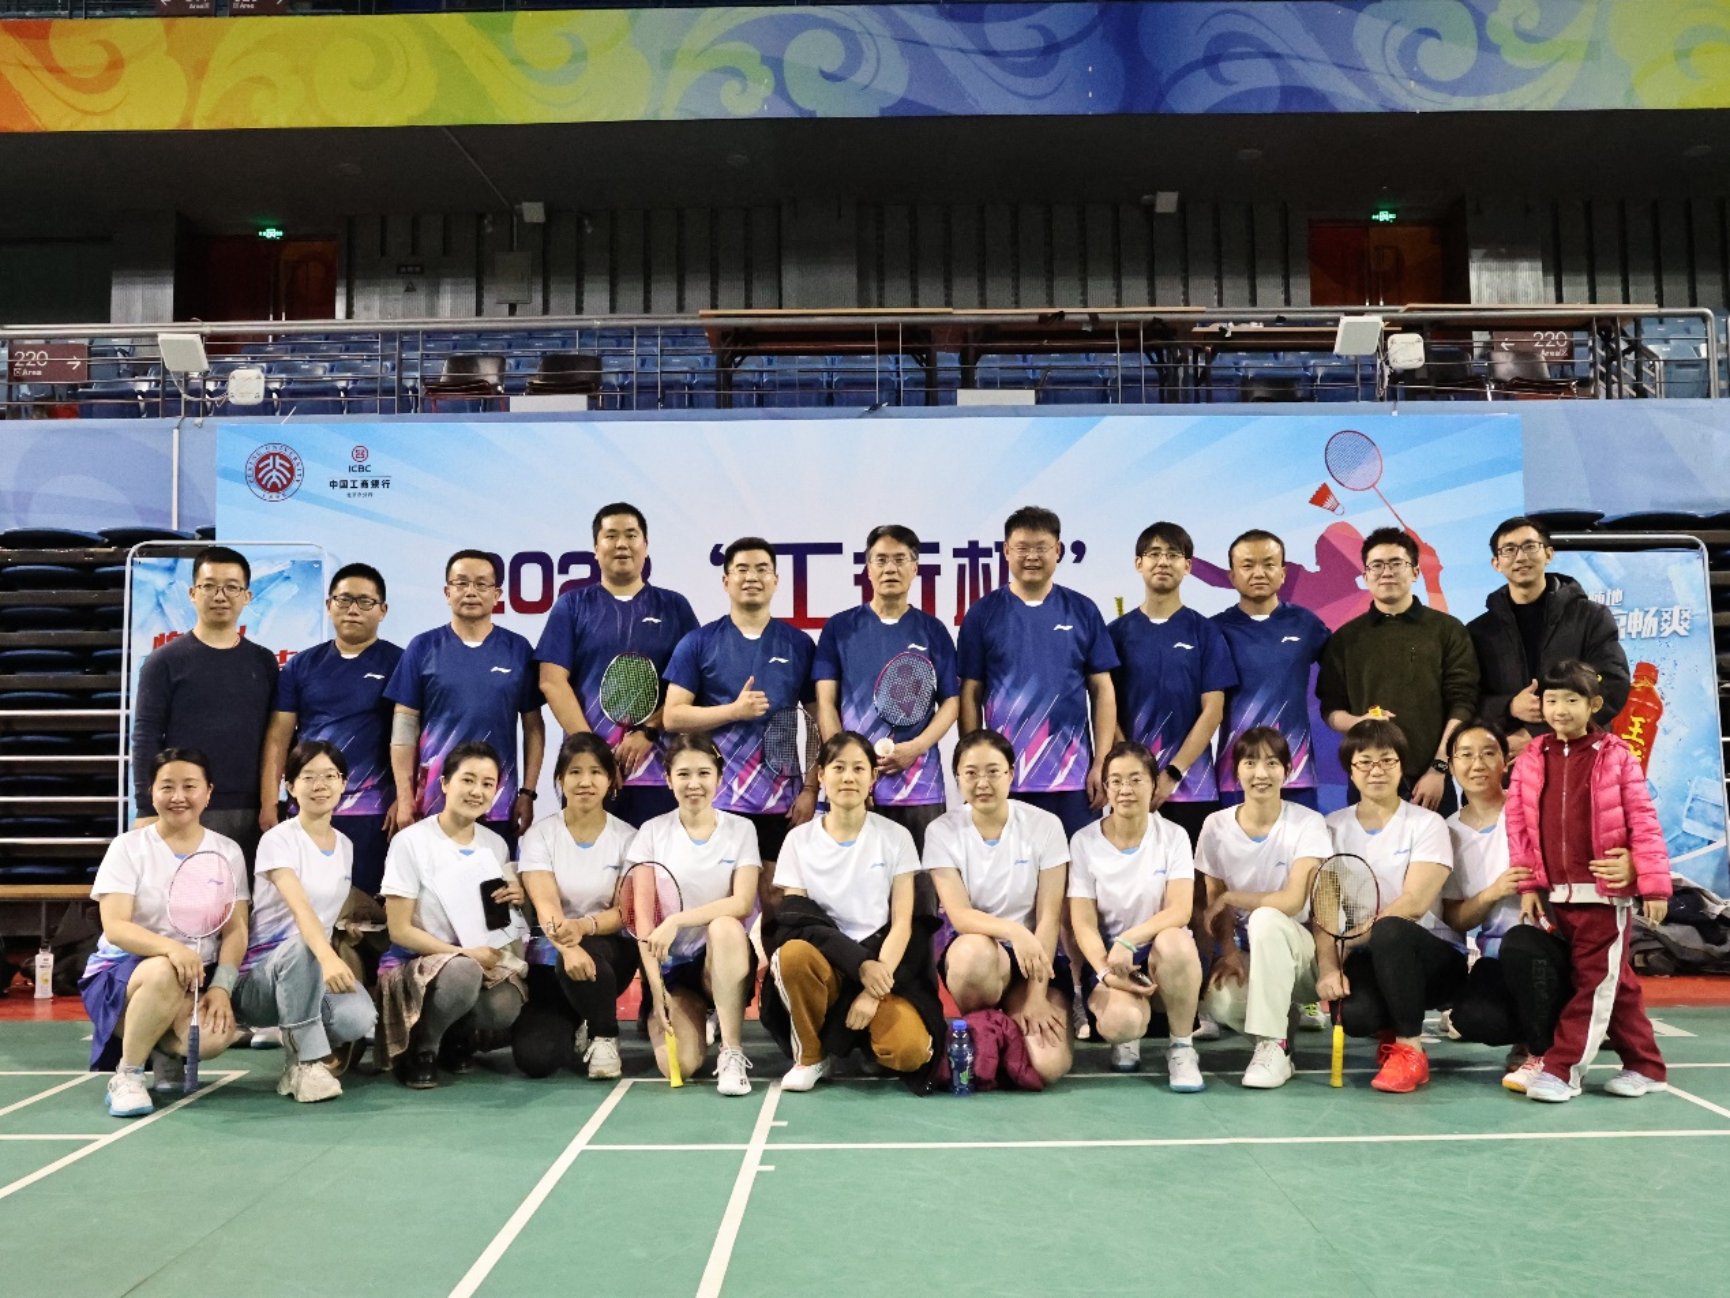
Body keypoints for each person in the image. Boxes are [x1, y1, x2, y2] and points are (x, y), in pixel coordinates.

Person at [1507, 660, 1671, 1103]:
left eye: (1572, 699)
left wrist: (1652, 882)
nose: (1560, 709)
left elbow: (1644, 821)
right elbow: (1518, 825)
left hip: (1604, 898)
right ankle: (1646, 1066)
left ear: (1594, 704)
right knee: (1615, 984)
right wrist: (1529, 885)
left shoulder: (1616, 755)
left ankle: (1563, 1071)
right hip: (1557, 898)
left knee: (1594, 985)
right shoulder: (1532, 756)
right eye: (1552, 700)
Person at [764, 732, 941, 1091]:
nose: (848, 777)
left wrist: (872, 991)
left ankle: (867, 1041)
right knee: (791, 955)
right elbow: (798, 920)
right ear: (821, 775)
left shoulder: (896, 837)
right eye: (838, 768)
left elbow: (903, 924)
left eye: (859, 769)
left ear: (872, 777)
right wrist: (858, 963)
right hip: (828, 961)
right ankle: (811, 1056)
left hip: (882, 965)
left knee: (910, 1052)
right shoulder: (798, 840)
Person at [80, 748, 249, 1118]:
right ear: (151, 792)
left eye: (190, 786)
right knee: (163, 971)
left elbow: (236, 928)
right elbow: (116, 927)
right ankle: (128, 1075)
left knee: (213, 1036)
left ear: (208, 792)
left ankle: (160, 1050)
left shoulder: (227, 851)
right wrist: (172, 949)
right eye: (167, 786)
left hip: (195, 975)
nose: (178, 796)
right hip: (124, 972)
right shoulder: (128, 848)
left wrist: (222, 987)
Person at [662, 537, 815, 892]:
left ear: (776, 580)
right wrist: (733, 711)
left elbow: (817, 723)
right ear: (726, 580)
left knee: (775, 895)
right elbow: (673, 716)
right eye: (742, 569)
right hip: (719, 797)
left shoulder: (799, 644)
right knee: (722, 894)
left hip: (781, 799)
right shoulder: (698, 642)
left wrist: (810, 788)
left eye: (762, 569)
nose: (752, 577)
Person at [1318, 719, 1461, 1093]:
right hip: (1368, 954)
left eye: (1387, 760)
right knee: (1355, 1015)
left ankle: (1410, 1049)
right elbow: (1325, 911)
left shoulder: (1428, 824)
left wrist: (1354, 939)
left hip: (1430, 958)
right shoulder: (1331, 828)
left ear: (1402, 766)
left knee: (1392, 929)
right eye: (1364, 762)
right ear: (1351, 770)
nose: (1376, 770)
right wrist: (1329, 968)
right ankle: (1388, 1029)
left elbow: (1413, 904)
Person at [535, 503, 700, 827]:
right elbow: (551, 681)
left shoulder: (675, 606)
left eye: (631, 535)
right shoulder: (571, 606)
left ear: (646, 546)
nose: (621, 544)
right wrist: (593, 752)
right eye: (611, 536)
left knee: (653, 860)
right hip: (589, 776)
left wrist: (649, 731)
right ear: (596, 548)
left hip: (659, 773)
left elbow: (692, 685)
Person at [958, 505, 1118, 839]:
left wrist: (1101, 762)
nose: (1032, 556)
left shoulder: (1083, 610)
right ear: (1006, 551)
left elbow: (1102, 690)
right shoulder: (983, 613)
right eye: (1022, 548)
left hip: (1073, 778)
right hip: (1004, 779)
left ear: (1058, 550)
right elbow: (970, 694)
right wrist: (974, 766)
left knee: (1075, 868)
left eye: (1041, 547)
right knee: (1009, 868)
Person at [924, 729, 1073, 1086]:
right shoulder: (941, 831)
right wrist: (1014, 932)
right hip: (980, 955)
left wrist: (1036, 997)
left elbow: (1049, 917)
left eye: (993, 771)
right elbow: (961, 917)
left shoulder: (1045, 826)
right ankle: (986, 1033)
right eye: (971, 773)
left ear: (1011, 773)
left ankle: (1008, 1030)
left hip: (1035, 960)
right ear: (957, 777)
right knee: (971, 955)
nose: (982, 783)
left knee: (1049, 1065)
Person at [377, 742, 528, 1089]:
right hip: (414, 962)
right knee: (463, 972)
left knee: (504, 1006)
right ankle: (422, 1048)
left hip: (473, 961)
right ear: (445, 783)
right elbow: (399, 930)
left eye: (488, 784)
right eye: (468, 780)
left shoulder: (495, 845)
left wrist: (514, 900)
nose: (477, 791)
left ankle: (454, 1034)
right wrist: (463, 954)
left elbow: (496, 920)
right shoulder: (410, 842)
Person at [234, 740, 378, 1102]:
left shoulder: (344, 845)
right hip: (261, 979)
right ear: (290, 786)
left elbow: (330, 906)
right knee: (304, 947)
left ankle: (296, 1055)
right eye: (308, 777)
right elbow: (301, 909)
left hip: (313, 970)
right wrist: (329, 956)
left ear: (343, 783)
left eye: (330, 776)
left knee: (358, 1018)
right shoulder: (278, 840)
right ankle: (306, 1063)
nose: (320, 785)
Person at [1437, 721, 1575, 1093]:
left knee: (1521, 942)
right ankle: (1541, 1029)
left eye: (1488, 753)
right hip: (1496, 957)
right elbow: (1455, 917)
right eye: (1466, 755)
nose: (1477, 764)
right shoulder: (1446, 831)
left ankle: (1541, 1051)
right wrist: (1493, 893)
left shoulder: (1534, 808)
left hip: (1548, 946)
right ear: (1451, 765)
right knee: (1473, 1018)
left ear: (1505, 762)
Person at [625, 733, 763, 1096]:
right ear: (668, 779)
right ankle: (698, 1015)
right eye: (683, 774)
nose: (694, 784)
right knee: (680, 1065)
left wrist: (676, 920)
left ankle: (731, 1051)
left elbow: (742, 902)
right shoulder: (651, 833)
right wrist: (656, 990)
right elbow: (643, 923)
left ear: (719, 777)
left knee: (726, 927)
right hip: (674, 969)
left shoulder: (741, 830)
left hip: (721, 959)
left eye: (704, 773)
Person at [1196, 727, 1334, 1089]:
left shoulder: (1308, 823)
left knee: (1267, 918)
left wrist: (1233, 897)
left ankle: (1273, 1045)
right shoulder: (1215, 826)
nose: (1261, 773)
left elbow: (1291, 901)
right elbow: (1215, 905)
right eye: (1250, 763)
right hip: (1250, 954)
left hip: (1301, 955)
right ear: (1236, 771)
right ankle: (1282, 1030)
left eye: (1272, 763)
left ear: (1287, 771)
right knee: (1222, 1002)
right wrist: (1228, 952)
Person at [1067, 741, 1205, 1091]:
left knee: (1175, 940)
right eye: (1115, 781)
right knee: (1123, 1023)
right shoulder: (1084, 841)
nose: (1125, 789)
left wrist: (1130, 940)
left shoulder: (1173, 836)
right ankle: (1129, 1032)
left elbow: (1180, 910)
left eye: (1135, 779)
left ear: (1154, 784)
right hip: (1110, 962)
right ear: (1106, 786)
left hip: (1157, 955)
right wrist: (1106, 972)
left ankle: (1182, 1048)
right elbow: (1082, 922)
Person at [813, 524, 960, 852]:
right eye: (880, 560)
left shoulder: (933, 630)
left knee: (922, 881)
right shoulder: (839, 628)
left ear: (915, 568)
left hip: (920, 787)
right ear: (867, 568)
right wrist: (850, 766)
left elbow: (952, 702)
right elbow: (825, 703)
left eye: (900, 559)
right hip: (856, 788)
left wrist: (916, 747)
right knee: (856, 877)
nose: (890, 569)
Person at [260, 562, 404, 896]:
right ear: (329, 605)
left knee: (367, 909)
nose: (353, 609)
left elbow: (411, 738)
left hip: (374, 811)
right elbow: (278, 737)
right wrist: (269, 802)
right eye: (344, 599)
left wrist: (404, 798)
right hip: (310, 806)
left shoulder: (400, 662)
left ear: (382, 610)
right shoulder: (301, 665)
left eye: (365, 602)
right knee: (310, 902)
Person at [386, 550, 545, 851]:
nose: (471, 591)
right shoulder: (422, 647)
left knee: (495, 878)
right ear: (447, 592)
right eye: (461, 583)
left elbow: (533, 728)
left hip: (498, 801)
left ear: (497, 594)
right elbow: (403, 730)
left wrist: (527, 792)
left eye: (481, 584)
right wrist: (405, 797)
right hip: (435, 801)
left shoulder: (518, 649)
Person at [131, 546, 278, 865]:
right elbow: (146, 736)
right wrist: (146, 806)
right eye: (209, 586)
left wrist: (272, 802)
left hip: (251, 810)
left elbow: (276, 737)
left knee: (244, 894)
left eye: (231, 587)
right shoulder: (163, 661)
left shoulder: (264, 662)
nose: (220, 596)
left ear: (247, 596)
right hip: (184, 806)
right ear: (192, 593)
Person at [1318, 527, 1479, 815]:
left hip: (1430, 781)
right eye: (1377, 565)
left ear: (1415, 572)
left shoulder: (1447, 630)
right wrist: (1357, 722)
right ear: (1366, 575)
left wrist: (1439, 767)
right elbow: (1331, 708)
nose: (1386, 572)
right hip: (1368, 780)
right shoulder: (1345, 639)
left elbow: (1463, 703)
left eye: (1396, 563)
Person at [511, 733, 640, 1081]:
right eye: (575, 772)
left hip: (608, 952)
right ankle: (579, 1017)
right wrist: (567, 948)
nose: (586, 782)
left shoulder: (629, 838)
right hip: (553, 955)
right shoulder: (540, 836)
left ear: (611, 780)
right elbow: (545, 903)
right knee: (535, 1059)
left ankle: (604, 1035)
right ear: (560, 779)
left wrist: (582, 928)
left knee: (591, 953)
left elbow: (623, 913)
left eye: (596, 772)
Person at [1107, 522, 1236, 846]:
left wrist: (1173, 774)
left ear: (1187, 566)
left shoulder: (1205, 632)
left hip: (1194, 786)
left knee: (1193, 875)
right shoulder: (1115, 633)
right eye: (1154, 554)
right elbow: (1105, 708)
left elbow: (1213, 711)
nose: (1163, 562)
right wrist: (1135, 772)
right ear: (1138, 563)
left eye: (1173, 555)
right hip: (1131, 791)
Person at [1468, 516, 1630, 757]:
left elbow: (1612, 685)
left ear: (1549, 554)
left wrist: (1539, 734)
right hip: (1509, 759)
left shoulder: (1591, 617)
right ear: (1496, 563)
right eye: (1509, 550)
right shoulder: (1478, 631)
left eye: (1530, 546)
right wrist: (1509, 706)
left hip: (1579, 756)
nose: (1520, 557)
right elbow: (1467, 700)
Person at [1210, 529, 1331, 811]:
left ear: (1283, 573)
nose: (1259, 573)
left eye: (1268, 564)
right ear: (1232, 576)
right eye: (1248, 565)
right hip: (1235, 773)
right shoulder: (1213, 630)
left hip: (1295, 770)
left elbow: (1346, 674)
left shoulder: (1306, 624)